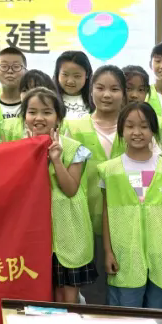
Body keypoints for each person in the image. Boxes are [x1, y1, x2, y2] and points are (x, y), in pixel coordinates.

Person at [100, 102, 162, 309]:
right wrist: (108, 251)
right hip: (125, 255)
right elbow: (106, 213)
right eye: (130, 126)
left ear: (153, 130)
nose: (137, 132)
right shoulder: (110, 170)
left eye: (144, 126)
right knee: (126, 315)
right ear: (121, 130)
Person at [61, 65, 127, 306]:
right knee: (93, 292)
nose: (107, 95)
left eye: (114, 89)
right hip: (84, 222)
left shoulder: (134, 128)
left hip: (127, 222)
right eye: (100, 88)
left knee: (126, 290)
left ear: (124, 93)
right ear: (90, 91)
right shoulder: (73, 128)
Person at [23, 88, 96, 303]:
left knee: (67, 296)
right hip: (35, 233)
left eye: (47, 112)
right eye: (32, 112)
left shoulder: (74, 149)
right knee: (43, 295)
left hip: (69, 231)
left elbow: (70, 189)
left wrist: (56, 159)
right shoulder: (17, 149)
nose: (39, 118)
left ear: (59, 118)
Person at [55, 51, 93, 121]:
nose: (70, 81)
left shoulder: (95, 100)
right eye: (65, 74)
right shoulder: (49, 99)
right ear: (58, 74)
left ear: (87, 75)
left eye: (77, 76)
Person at [0, 47, 27, 118]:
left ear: (26, 72)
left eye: (16, 66)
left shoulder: (35, 104)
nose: (10, 71)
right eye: (4, 66)